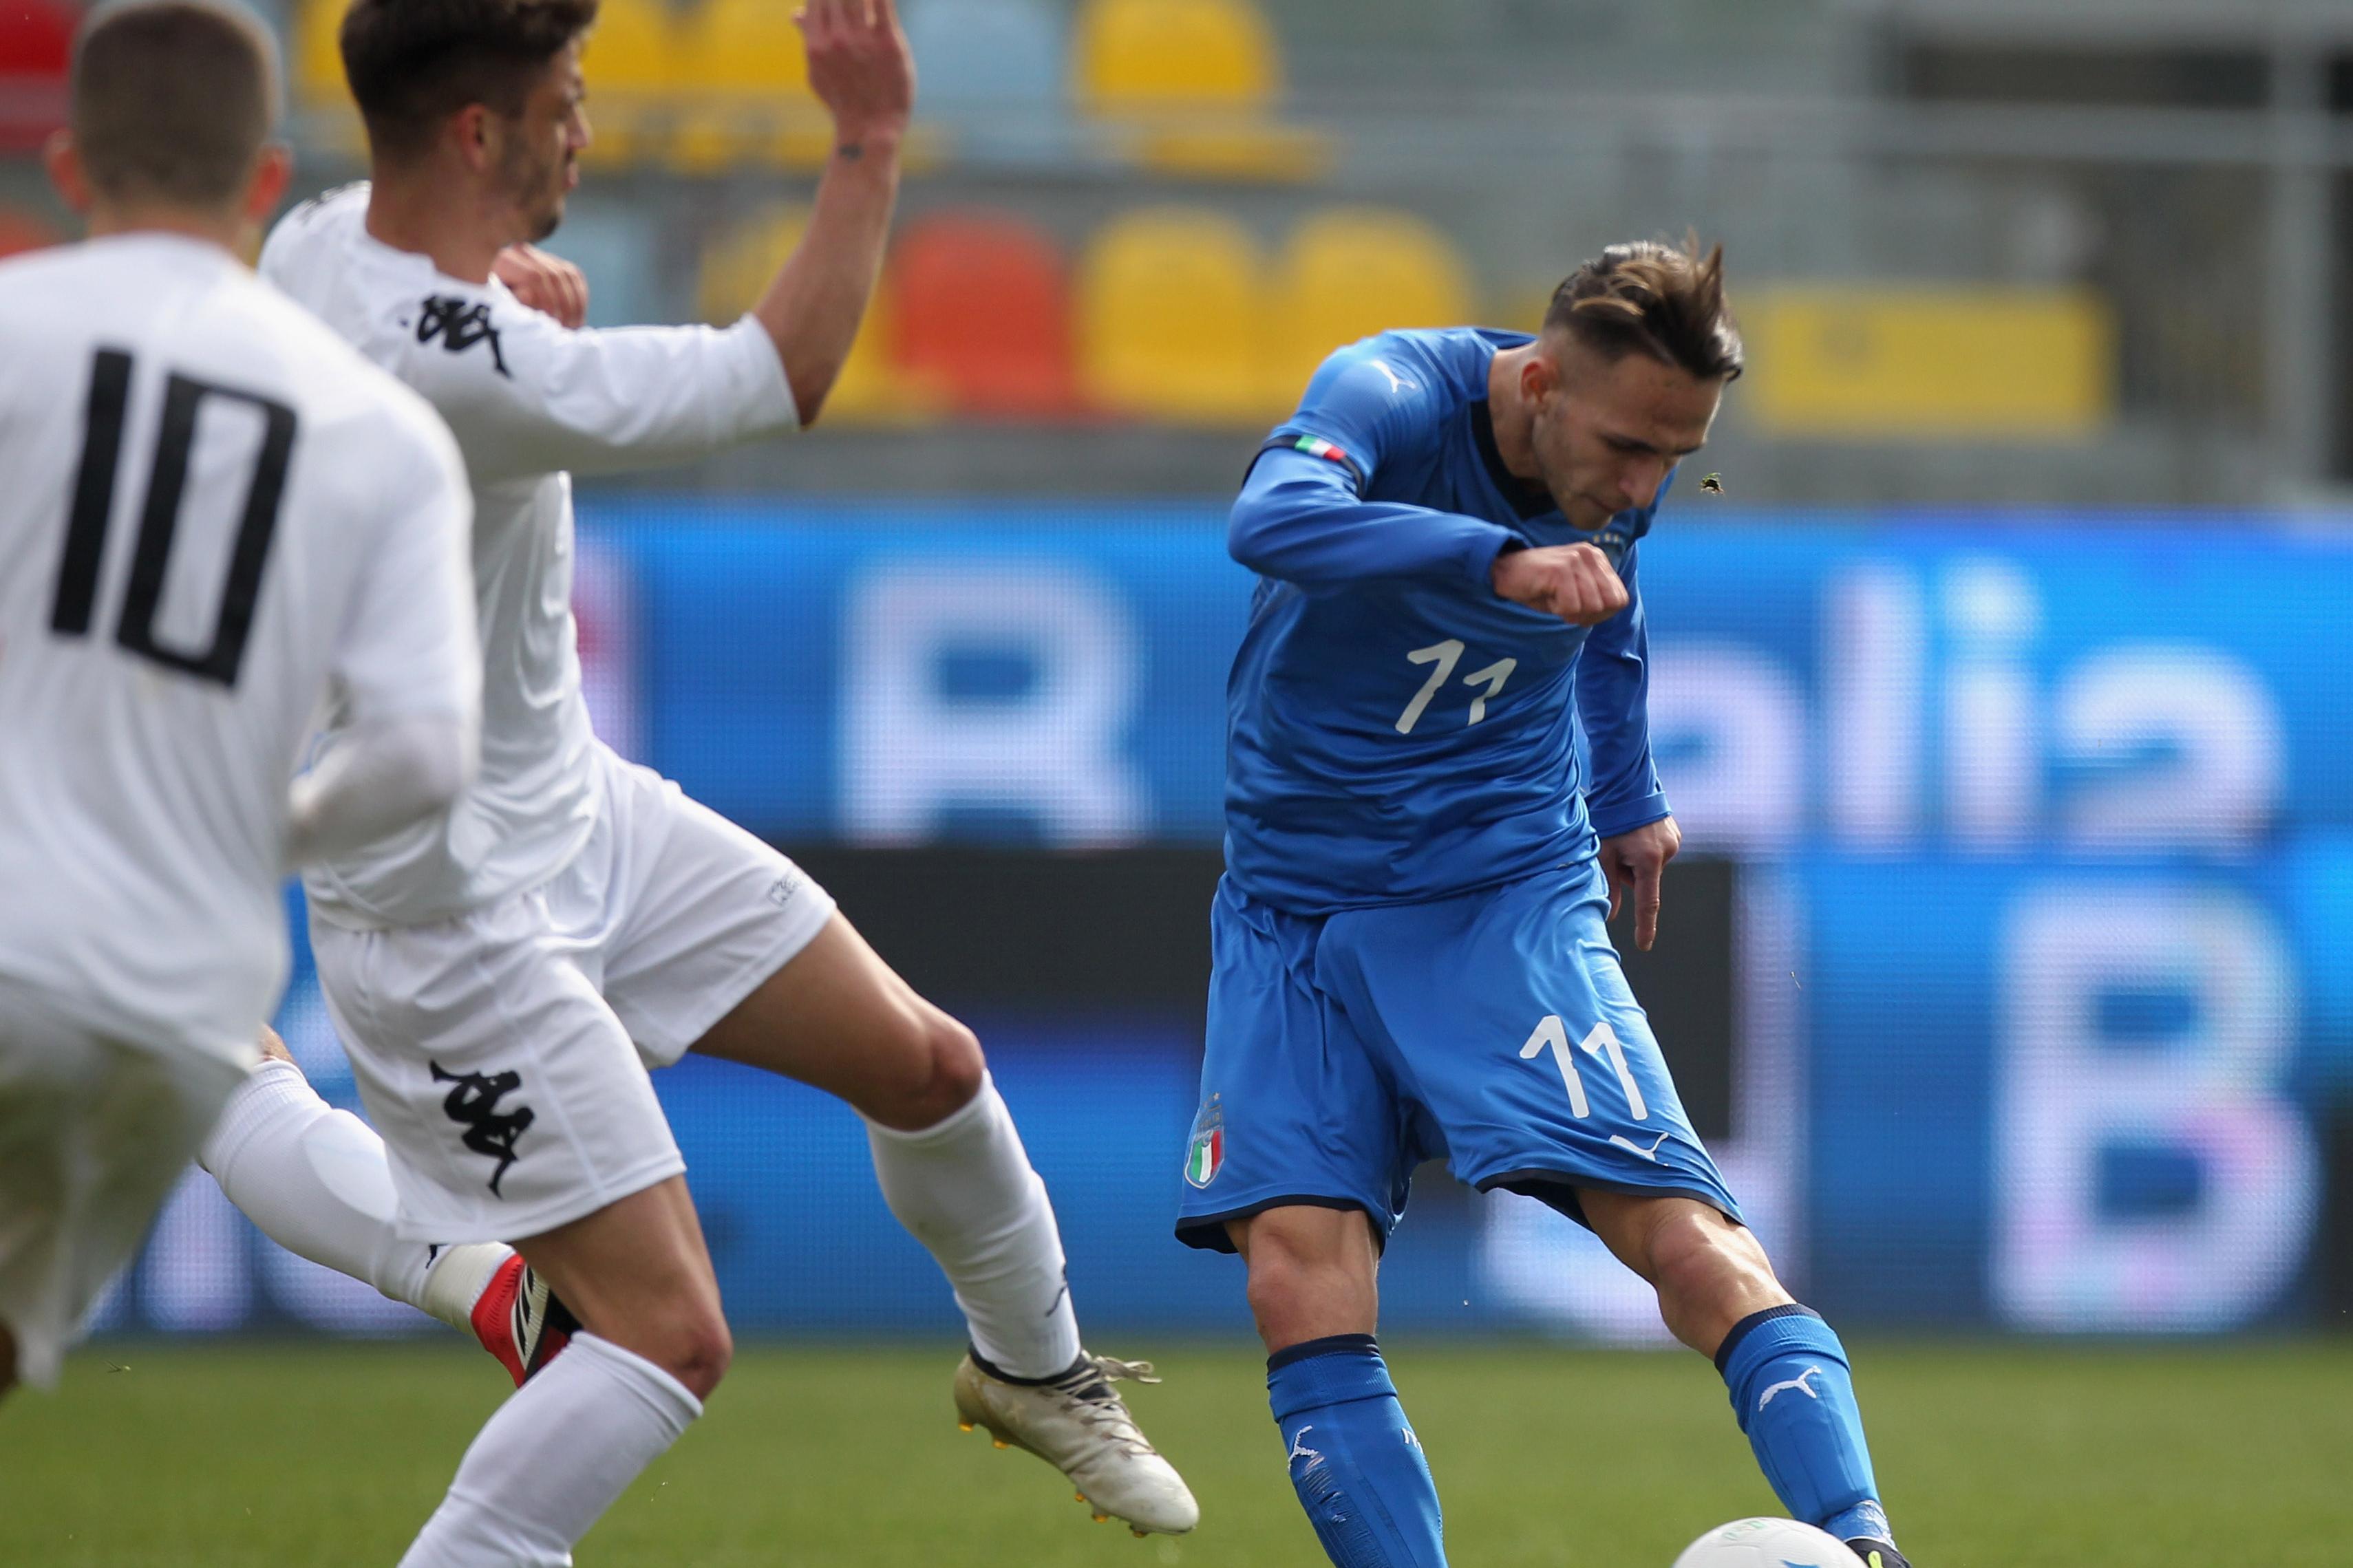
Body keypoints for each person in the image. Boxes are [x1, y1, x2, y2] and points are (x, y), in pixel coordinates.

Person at [202, 0, 1197, 1556]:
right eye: (567, 97)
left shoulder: (323, 248)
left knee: (928, 1066)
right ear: (483, 131)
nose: (585, 129)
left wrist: (495, 296)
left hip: (578, 812)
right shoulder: (454, 356)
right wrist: (866, 137)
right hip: (452, 914)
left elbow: (415, 339)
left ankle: (1037, 1369)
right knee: (665, 1337)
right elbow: (787, 368)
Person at [1177, 238, 1913, 1568]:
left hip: (1496, 888)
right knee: (1295, 1270)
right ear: (1537, 380)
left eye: (1673, 460)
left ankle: (1861, 1542)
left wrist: (1627, 796)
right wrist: (1494, 563)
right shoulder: (1391, 394)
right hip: (1290, 900)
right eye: (1629, 446)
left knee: (1680, 1240)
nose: (1641, 485)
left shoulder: (1620, 460)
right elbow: (1266, 522)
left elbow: (1613, 618)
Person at [0, 0, 477, 1405]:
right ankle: (473, 1266)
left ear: (70, 165)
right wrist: (248, 833)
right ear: (267, 179)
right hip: (175, 994)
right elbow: (428, 754)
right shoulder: (379, 428)